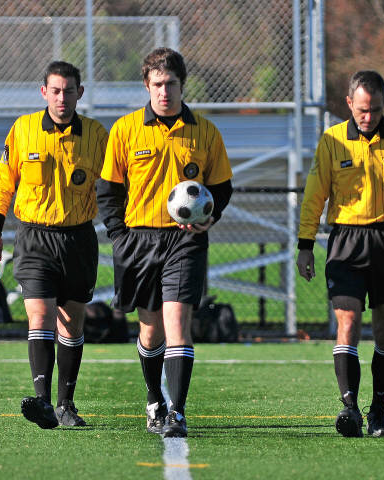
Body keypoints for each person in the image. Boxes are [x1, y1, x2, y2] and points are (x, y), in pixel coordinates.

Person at [97, 47, 233, 438]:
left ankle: (177, 412)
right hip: (137, 241)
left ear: (181, 85)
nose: (164, 92)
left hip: (185, 241)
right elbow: (108, 190)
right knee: (150, 330)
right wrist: (119, 236)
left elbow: (222, 187)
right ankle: (154, 398)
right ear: (146, 85)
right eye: (157, 84)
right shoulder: (125, 129)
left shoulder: (205, 131)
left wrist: (210, 217)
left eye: (171, 84)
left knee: (178, 325)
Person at [296, 70, 384, 437]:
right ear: (349, 103)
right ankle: (350, 408)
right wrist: (305, 245)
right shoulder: (332, 141)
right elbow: (314, 196)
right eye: (362, 109)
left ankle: (379, 411)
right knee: (348, 323)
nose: (368, 116)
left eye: (375, 109)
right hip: (346, 241)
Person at [0, 61, 109, 429]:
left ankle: (65, 405)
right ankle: (41, 402)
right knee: (40, 315)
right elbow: (4, 184)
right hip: (34, 238)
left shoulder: (97, 135)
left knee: (72, 323)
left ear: (79, 93)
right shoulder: (23, 130)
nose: (62, 97)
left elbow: (114, 185)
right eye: (55, 90)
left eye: (68, 91)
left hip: (79, 238)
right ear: (44, 92)